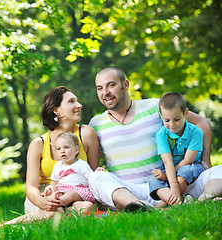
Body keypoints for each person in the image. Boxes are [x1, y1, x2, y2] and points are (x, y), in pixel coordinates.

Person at [88, 66, 222, 211]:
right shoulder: (96, 124)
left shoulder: (153, 106)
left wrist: (205, 161)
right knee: (95, 178)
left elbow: (202, 123)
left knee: (219, 171)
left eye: (111, 85)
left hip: (170, 185)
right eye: (99, 88)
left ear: (125, 85)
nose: (105, 93)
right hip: (130, 192)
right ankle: (140, 207)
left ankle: (194, 202)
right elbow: (93, 168)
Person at [23, 86, 100, 216]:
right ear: (56, 111)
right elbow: (31, 186)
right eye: (71, 101)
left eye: (77, 101)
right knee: (53, 213)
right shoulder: (38, 144)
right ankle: (3, 224)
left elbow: (93, 177)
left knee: (86, 208)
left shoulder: (86, 134)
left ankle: (62, 214)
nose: (79, 105)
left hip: (75, 192)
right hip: (44, 193)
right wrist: (42, 201)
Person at [148, 92, 205, 206]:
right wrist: (169, 179)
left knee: (183, 173)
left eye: (177, 119)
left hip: (191, 167)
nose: (172, 124)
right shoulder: (162, 135)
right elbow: (167, 161)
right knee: (153, 180)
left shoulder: (196, 132)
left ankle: (163, 205)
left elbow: (188, 161)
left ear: (185, 113)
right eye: (167, 120)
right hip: (171, 169)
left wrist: (171, 182)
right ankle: (177, 203)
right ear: (161, 116)